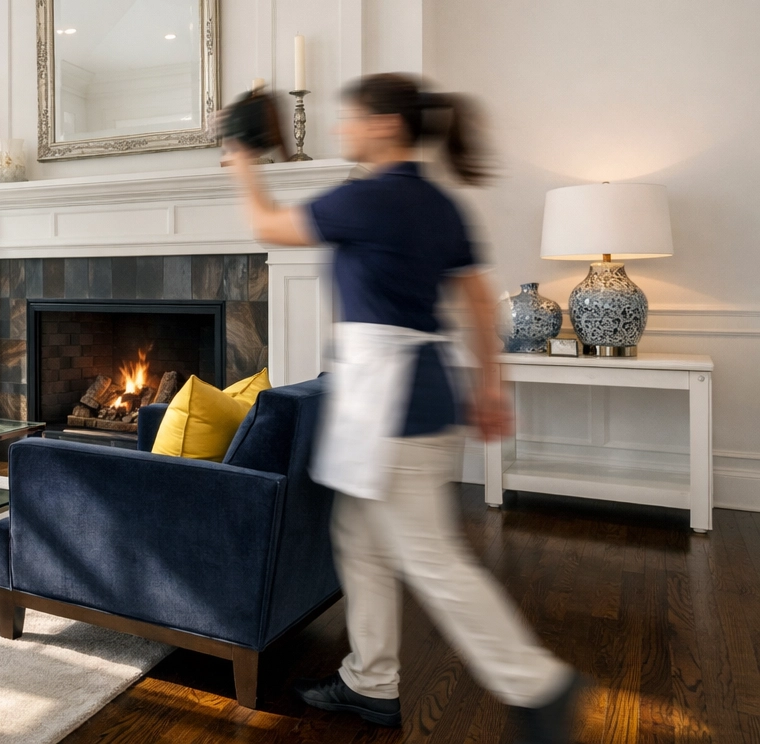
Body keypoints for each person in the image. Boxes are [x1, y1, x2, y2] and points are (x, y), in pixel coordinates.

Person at [224, 73, 584, 744]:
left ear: (385, 126)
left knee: (427, 554)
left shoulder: (369, 199)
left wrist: (242, 161)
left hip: (390, 405)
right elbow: (479, 302)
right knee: (359, 538)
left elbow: (268, 225)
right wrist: (488, 385)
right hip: (417, 391)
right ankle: (370, 681)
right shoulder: (439, 203)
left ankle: (537, 683)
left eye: (351, 119)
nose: (341, 130)